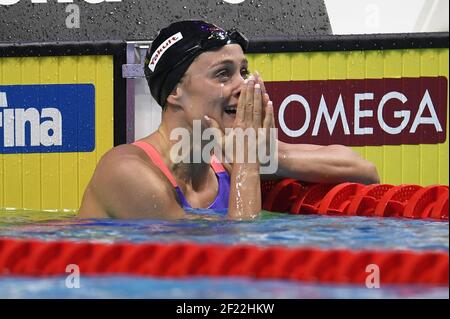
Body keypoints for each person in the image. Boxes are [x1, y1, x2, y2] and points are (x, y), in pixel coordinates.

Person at [78, 20, 379, 220]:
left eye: (244, 72)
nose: (244, 86)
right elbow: (233, 269)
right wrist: (249, 163)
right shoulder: (126, 173)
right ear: (175, 91)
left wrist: (272, 156)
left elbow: (364, 172)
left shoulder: (224, 154)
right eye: (223, 74)